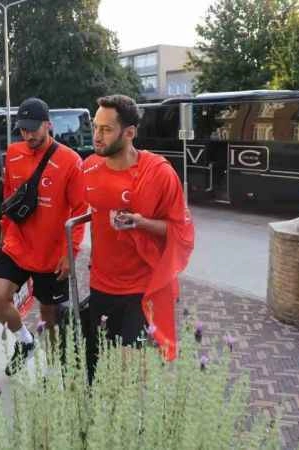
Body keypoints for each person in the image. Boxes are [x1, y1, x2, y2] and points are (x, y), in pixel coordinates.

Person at [83, 94, 194, 377]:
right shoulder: (89, 169)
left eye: (106, 129)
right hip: (101, 287)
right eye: (95, 127)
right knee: (100, 374)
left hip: (142, 292)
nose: (97, 135)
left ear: (129, 133)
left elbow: (181, 231)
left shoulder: (158, 174)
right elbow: (87, 217)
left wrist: (142, 223)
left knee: (129, 374)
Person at [0, 97, 87, 376]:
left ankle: (55, 374)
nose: (28, 135)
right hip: (17, 245)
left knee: (50, 317)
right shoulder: (14, 152)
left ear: (48, 125)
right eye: (23, 129)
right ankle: (25, 342)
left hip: (51, 254)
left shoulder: (70, 161)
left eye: (33, 129)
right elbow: (9, 196)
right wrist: (6, 232)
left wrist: (71, 253)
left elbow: (80, 210)